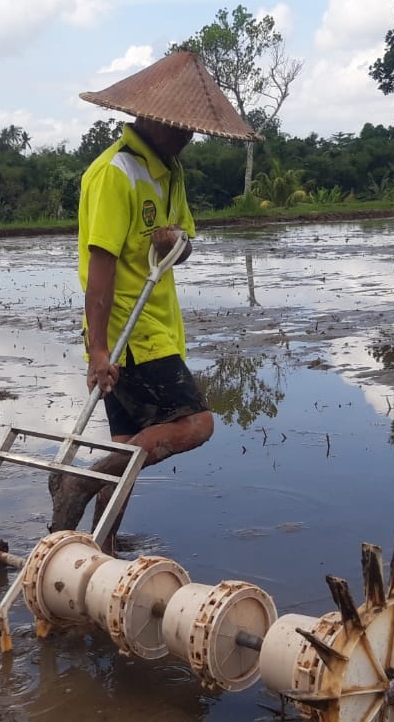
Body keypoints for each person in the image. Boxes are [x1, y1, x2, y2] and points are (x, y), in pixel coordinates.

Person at [49, 50, 264, 552]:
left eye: (192, 131)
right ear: (147, 117)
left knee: (126, 444)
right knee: (196, 423)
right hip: (130, 332)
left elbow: (183, 243)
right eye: (179, 127)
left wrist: (175, 245)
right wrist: (99, 350)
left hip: (156, 325)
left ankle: (103, 545)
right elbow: (99, 269)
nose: (186, 138)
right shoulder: (114, 174)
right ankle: (81, 482)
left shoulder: (169, 172)